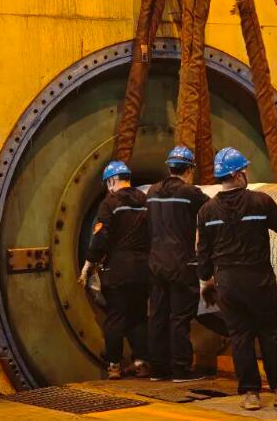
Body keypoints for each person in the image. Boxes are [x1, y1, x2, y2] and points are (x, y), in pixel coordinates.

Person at [196, 147, 277, 410]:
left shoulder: (206, 211)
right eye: (244, 170)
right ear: (237, 174)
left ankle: (250, 394)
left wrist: (206, 279)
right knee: (270, 334)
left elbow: (203, 253)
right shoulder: (260, 202)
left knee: (240, 337)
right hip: (259, 281)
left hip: (228, 284)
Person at [79, 161, 151, 379]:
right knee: (139, 315)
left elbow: (100, 236)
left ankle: (114, 365)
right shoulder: (145, 200)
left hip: (117, 269)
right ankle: (141, 362)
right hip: (143, 269)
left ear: (111, 181)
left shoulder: (109, 203)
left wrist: (88, 263)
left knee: (116, 316)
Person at [146, 146, 210, 382]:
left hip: (156, 263)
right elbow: (214, 210)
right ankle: (181, 369)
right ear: (190, 169)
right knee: (180, 317)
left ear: (169, 167)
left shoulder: (152, 191)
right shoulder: (190, 193)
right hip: (182, 264)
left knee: (158, 316)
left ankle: (157, 369)